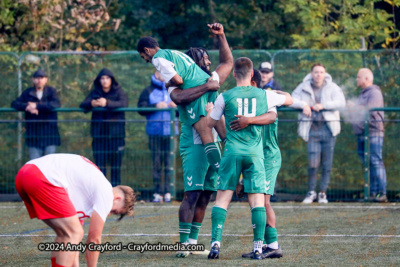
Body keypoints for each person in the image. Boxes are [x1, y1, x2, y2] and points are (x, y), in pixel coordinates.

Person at [138, 23, 233, 257]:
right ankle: (183, 244)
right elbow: (180, 94)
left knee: (205, 196)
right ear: (192, 61)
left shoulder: (208, 79)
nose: (208, 62)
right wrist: (207, 85)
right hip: (194, 146)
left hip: (214, 147)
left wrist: (221, 36)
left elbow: (228, 63)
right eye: (204, 58)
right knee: (192, 194)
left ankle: (192, 242)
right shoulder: (176, 86)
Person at [206, 57, 291, 260]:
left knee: (222, 200)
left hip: (232, 152)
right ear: (252, 74)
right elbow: (289, 100)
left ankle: (215, 245)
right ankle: (258, 248)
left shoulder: (224, 96)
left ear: (234, 74)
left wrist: (211, 112)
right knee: (258, 202)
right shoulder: (264, 95)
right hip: (255, 155)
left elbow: (210, 123)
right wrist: (277, 95)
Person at [137, 23, 231, 174]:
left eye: (144, 57)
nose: (147, 60)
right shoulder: (174, 53)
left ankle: (226, 174)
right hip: (210, 90)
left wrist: (168, 82)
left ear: (147, 50)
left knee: (206, 137)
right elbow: (227, 63)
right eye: (205, 58)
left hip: (199, 95)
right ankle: (239, 170)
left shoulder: (158, 59)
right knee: (226, 137)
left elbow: (179, 82)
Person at [15, 153, 135, 267]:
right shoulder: (107, 194)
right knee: (74, 233)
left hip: (25, 174)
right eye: (114, 211)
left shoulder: (90, 188)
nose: (108, 214)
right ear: (117, 198)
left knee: (67, 234)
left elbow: (74, 244)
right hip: (41, 177)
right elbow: (94, 240)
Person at [232, 69, 292, 259]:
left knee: (263, 202)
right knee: (255, 203)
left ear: (253, 83)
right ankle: (265, 245)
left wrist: (273, 93)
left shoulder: (266, 97)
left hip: (268, 157)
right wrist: (240, 180)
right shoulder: (243, 102)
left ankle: (273, 246)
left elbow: (289, 99)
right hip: (254, 158)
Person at [290, 63, 346, 204]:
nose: (318, 74)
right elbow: (291, 101)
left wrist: (324, 106)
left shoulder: (332, 87)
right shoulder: (302, 87)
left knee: (327, 163)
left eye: (321, 72)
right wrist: (303, 105)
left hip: (329, 130)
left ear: (324, 73)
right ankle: (311, 192)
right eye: (316, 72)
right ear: (311, 73)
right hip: (312, 130)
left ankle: (322, 193)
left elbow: (341, 103)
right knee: (313, 163)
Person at [80, 68, 128, 187]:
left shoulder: (119, 91)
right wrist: (92, 103)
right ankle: (101, 192)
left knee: (115, 167)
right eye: (102, 78)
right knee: (99, 167)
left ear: (111, 80)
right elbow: (83, 105)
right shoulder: (95, 92)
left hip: (116, 136)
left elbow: (124, 103)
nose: (105, 81)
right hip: (99, 136)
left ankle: (115, 193)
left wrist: (107, 103)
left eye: (107, 78)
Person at [138, 71, 178, 203]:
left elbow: (184, 110)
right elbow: (140, 108)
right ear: (155, 72)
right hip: (154, 133)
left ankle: (168, 192)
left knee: (169, 163)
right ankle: (157, 192)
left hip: (171, 134)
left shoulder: (174, 90)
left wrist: (176, 107)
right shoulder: (148, 90)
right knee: (156, 163)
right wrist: (155, 106)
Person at [352, 68, 387, 202]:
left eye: (358, 77)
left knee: (375, 161)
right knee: (368, 163)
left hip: (373, 133)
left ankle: (381, 192)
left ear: (366, 78)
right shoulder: (363, 93)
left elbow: (370, 111)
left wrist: (352, 107)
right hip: (362, 133)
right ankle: (372, 193)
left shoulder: (374, 93)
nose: (357, 79)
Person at [11, 69, 61, 159]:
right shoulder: (27, 92)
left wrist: (37, 106)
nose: (39, 80)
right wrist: (27, 107)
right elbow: (15, 103)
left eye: (42, 78)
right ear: (33, 80)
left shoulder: (51, 91)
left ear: (46, 79)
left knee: (49, 163)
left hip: (50, 134)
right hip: (34, 134)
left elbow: (55, 104)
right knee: (35, 165)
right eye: (37, 78)